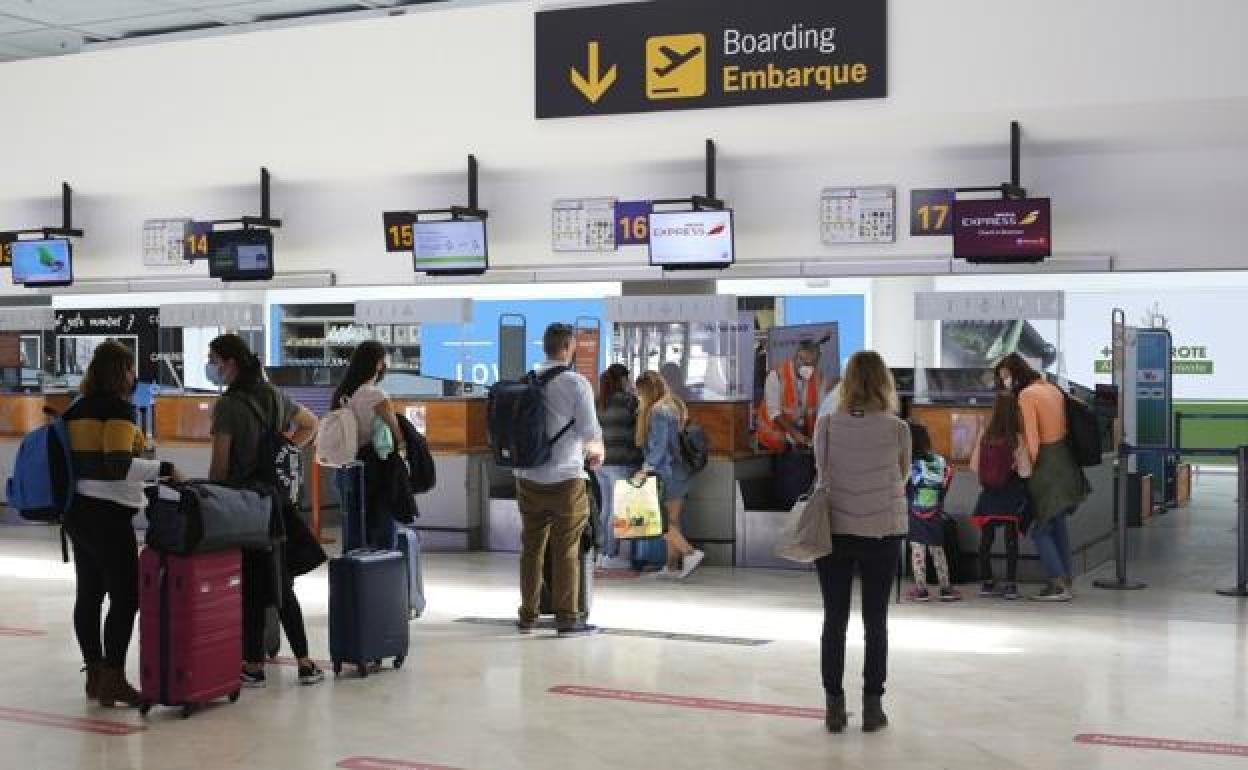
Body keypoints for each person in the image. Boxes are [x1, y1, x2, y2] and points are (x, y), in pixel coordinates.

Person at [62, 342, 180, 708]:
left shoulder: (75, 410)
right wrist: (164, 470)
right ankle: (113, 676)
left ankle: (95, 675)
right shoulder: (119, 410)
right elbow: (117, 465)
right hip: (108, 514)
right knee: (126, 597)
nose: (134, 376)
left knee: (89, 595)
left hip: (77, 513)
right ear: (120, 372)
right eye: (130, 369)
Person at [206, 334, 324, 686]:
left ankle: (254, 665)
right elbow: (311, 423)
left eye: (214, 360)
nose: (212, 367)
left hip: (246, 505)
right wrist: (284, 450)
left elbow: (219, 468)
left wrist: (214, 496)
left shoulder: (228, 406)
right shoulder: (273, 395)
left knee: (253, 587)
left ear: (231, 363)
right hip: (277, 503)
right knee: (281, 582)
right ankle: (304, 661)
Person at [811, 350, 909, 734]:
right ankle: (873, 707)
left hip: (834, 529)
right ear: (884, 383)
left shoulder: (827, 425)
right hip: (882, 531)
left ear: (847, 383)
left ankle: (834, 708)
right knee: (876, 621)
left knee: (834, 620)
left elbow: (822, 471)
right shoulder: (897, 428)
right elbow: (900, 477)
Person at [513, 323, 604, 636]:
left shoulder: (526, 381)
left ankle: (528, 614)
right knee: (565, 548)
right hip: (566, 478)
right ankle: (567, 618)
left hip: (527, 478)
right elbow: (590, 434)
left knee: (532, 547)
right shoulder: (577, 384)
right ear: (568, 347)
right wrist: (596, 453)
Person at [995, 353, 1089, 602]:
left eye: (1006, 376)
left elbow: (1033, 439)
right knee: (1058, 526)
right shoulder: (1051, 388)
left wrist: (1027, 470)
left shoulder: (1027, 396)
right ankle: (1065, 580)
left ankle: (1058, 584)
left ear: (1016, 373)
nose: (1005, 382)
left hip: (1046, 466)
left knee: (1040, 530)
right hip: (1064, 460)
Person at [331, 340, 406, 551]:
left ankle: (358, 578)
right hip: (374, 469)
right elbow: (396, 432)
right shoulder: (376, 395)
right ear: (379, 364)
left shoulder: (343, 394)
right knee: (381, 530)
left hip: (346, 469)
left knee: (354, 529)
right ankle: (381, 577)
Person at [633, 370, 703, 580]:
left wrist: (645, 469)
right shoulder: (672, 405)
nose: (638, 396)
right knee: (671, 520)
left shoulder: (659, 411)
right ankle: (671, 566)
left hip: (668, 473)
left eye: (639, 392)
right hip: (679, 472)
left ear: (646, 391)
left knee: (659, 522)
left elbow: (660, 446)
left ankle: (690, 553)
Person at [969, 391, 1033, 601]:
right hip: (1010, 496)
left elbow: (973, 466)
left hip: (988, 496)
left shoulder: (984, 435)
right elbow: (1025, 472)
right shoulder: (1017, 439)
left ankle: (987, 582)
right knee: (1010, 541)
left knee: (986, 540)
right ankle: (1011, 585)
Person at [758, 339, 825, 509]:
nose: (808, 366)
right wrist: (794, 434)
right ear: (796, 357)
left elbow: (821, 410)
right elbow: (774, 413)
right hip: (775, 437)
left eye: (812, 363)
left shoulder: (818, 378)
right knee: (786, 481)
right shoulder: (776, 375)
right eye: (804, 361)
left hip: (803, 440)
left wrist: (813, 438)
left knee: (802, 480)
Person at [905, 421, 959, 602]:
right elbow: (946, 482)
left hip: (914, 513)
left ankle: (921, 590)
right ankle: (945, 588)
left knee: (917, 550)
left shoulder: (911, 464)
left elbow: (903, 486)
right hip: (935, 512)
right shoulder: (940, 461)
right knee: (938, 550)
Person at [596, 363, 642, 570]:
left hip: (602, 463)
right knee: (619, 510)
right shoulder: (628, 402)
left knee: (606, 509)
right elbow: (640, 429)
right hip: (623, 462)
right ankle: (612, 555)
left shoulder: (599, 402)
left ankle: (603, 552)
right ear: (623, 379)